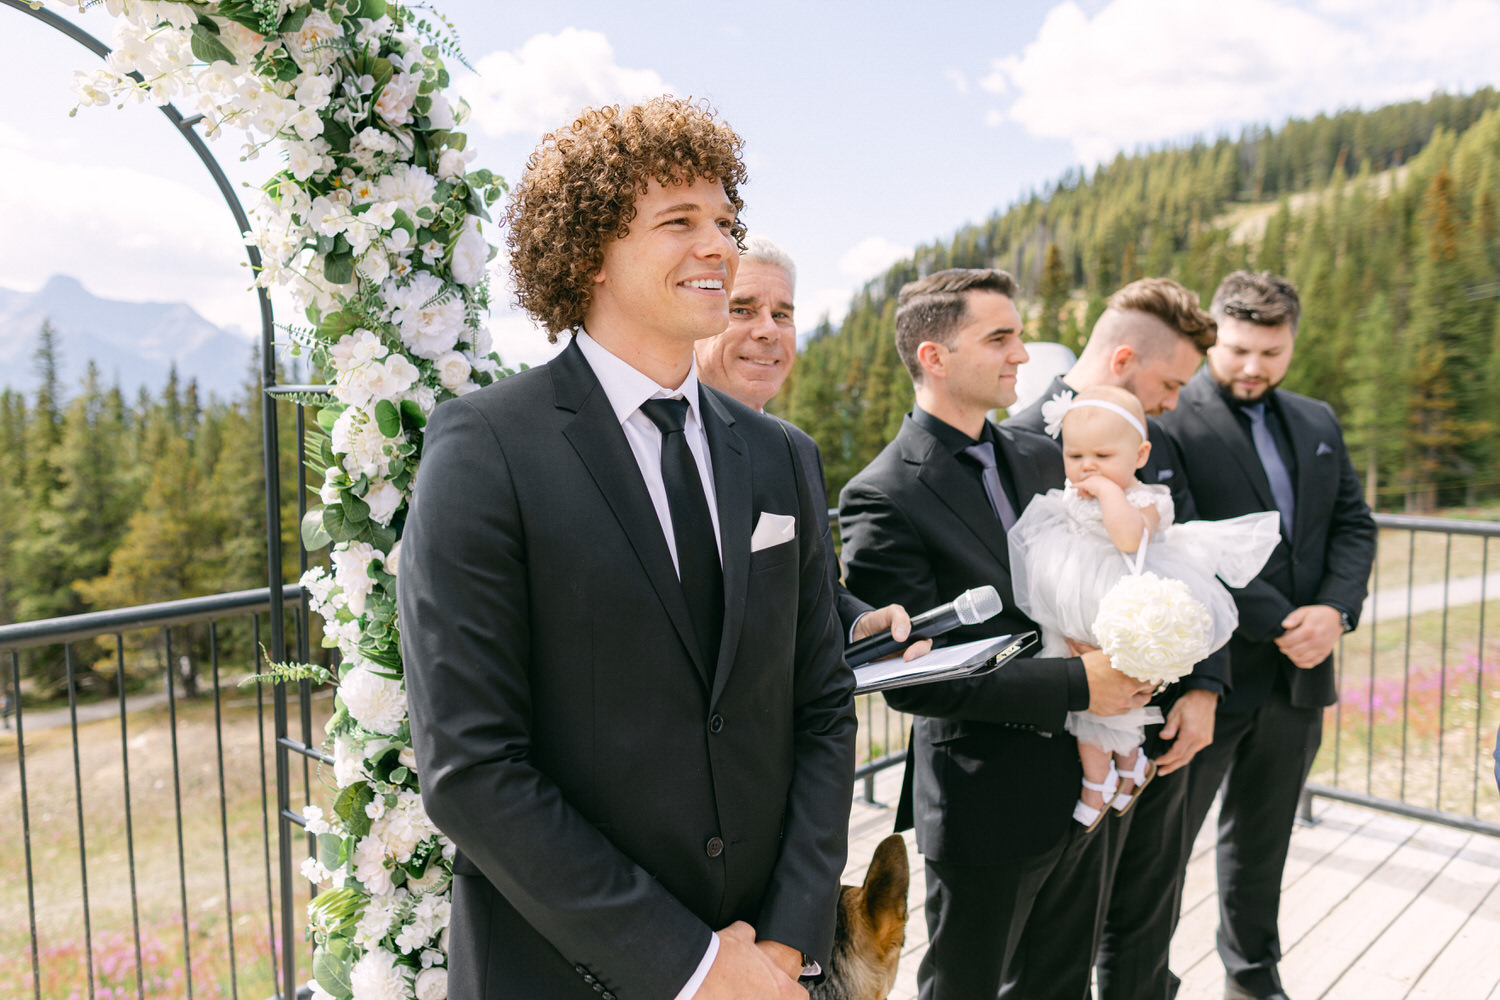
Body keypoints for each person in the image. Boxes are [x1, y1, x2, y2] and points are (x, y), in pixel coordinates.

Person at [398, 97, 857, 1000]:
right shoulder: (485, 447)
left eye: (725, 221)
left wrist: (787, 940)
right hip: (561, 970)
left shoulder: (781, 457)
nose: (717, 245)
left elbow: (823, 702)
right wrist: (690, 965)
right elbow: (472, 765)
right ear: (588, 253)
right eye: (677, 221)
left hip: (766, 964)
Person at [838, 268, 1154, 1000]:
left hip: (1088, 781)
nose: (1022, 353)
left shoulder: (1045, 456)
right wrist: (1083, 684)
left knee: (1061, 985)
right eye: (1000, 337)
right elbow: (913, 675)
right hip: (986, 800)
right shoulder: (883, 495)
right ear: (935, 357)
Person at [1159, 271, 1376, 1000]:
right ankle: (1137, 980)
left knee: (1263, 845)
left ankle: (1254, 982)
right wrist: (1286, 622)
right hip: (1208, 680)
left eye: (1272, 353)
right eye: (1241, 349)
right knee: (1160, 852)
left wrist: (1336, 613)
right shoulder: (1171, 416)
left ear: (1291, 344)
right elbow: (1183, 540)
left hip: (1297, 681)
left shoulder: (1317, 420)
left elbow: (1353, 525)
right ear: (1216, 334)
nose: (1254, 367)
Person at [1004, 277, 1223, 1000]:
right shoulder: (1014, 439)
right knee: (1044, 947)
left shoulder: (1159, 440)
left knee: (1142, 905)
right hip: (1048, 732)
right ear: (1125, 358)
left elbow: (1183, 557)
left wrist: (1202, 685)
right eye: (1170, 381)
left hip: (1151, 717)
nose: (1175, 399)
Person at [1007, 386, 1279, 829]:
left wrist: (1107, 494)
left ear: (1140, 454)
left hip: (1120, 600)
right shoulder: (1070, 495)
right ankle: (1098, 782)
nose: (1087, 466)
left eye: (1101, 455)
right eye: (1074, 457)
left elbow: (1129, 538)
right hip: (1072, 604)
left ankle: (1127, 767)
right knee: (1084, 702)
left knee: (1122, 698)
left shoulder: (1148, 500)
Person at [694, 235, 927, 655]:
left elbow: (820, 593)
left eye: (782, 314)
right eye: (742, 309)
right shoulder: (654, 442)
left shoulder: (799, 450)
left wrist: (859, 624)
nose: (767, 330)